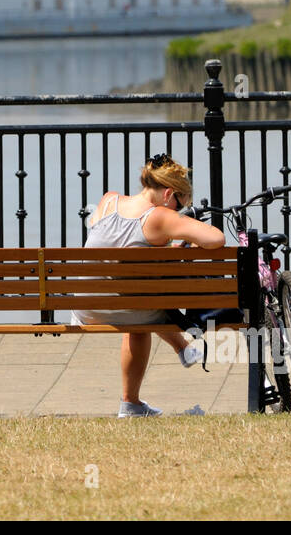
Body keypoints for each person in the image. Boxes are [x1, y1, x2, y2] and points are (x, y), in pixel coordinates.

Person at [72, 153, 227, 417]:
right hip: (129, 309)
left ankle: (181, 352)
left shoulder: (109, 200)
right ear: (168, 194)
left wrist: (161, 247)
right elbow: (216, 239)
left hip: (84, 307)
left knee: (138, 298)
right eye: (179, 204)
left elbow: (113, 245)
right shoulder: (159, 217)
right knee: (142, 315)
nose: (177, 211)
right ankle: (134, 399)